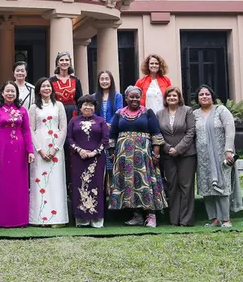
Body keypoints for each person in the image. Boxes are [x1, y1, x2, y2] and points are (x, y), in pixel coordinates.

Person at [108, 86, 167, 228]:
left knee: (145, 182)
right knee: (129, 184)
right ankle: (137, 215)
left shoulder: (148, 113)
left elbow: (156, 134)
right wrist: (111, 153)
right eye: (131, 97)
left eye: (137, 97)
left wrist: (156, 153)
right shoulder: (119, 113)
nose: (134, 99)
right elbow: (112, 135)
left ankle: (151, 215)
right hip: (124, 155)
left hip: (143, 153)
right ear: (126, 98)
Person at [194, 85, 243, 228]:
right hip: (203, 157)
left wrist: (228, 150)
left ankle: (226, 219)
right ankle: (215, 219)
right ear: (197, 98)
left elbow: (230, 130)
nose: (204, 96)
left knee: (223, 185)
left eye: (207, 94)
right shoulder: (195, 114)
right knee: (207, 188)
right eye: (201, 94)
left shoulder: (221, 110)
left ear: (212, 96)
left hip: (221, 155)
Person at [0, 81, 35, 228]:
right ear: (2, 93)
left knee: (19, 184)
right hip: (2, 150)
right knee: (3, 184)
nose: (10, 94)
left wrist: (30, 151)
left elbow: (27, 131)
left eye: (12, 91)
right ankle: (3, 219)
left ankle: (20, 219)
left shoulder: (22, 110)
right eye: (7, 91)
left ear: (16, 94)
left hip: (19, 150)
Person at [28, 77, 68, 226]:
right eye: (43, 86)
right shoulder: (33, 108)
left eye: (48, 86)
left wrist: (55, 148)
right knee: (39, 182)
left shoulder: (59, 105)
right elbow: (31, 130)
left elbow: (63, 127)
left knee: (55, 182)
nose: (46, 88)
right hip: (39, 147)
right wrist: (39, 150)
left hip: (56, 147)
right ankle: (39, 218)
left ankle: (57, 218)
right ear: (38, 89)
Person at [156, 86, 196, 226]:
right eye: (169, 96)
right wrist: (167, 148)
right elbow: (158, 134)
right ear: (165, 98)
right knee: (172, 186)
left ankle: (186, 220)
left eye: (174, 96)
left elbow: (191, 132)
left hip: (186, 154)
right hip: (168, 155)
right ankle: (174, 219)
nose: (172, 98)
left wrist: (178, 149)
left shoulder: (187, 111)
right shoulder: (160, 114)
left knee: (186, 186)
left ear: (179, 98)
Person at [67, 95, 109, 228]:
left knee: (96, 186)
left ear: (95, 107)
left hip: (97, 159)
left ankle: (96, 218)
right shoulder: (73, 121)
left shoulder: (101, 121)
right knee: (79, 185)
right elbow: (69, 138)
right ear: (80, 107)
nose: (88, 107)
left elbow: (105, 139)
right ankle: (82, 218)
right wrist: (79, 150)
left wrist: (94, 152)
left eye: (91, 105)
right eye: (85, 104)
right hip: (78, 158)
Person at [49, 51, 84, 120]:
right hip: (57, 112)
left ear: (70, 63)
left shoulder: (76, 80)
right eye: (61, 60)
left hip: (73, 113)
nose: (64, 62)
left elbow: (80, 100)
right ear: (57, 63)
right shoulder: (51, 81)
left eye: (67, 60)